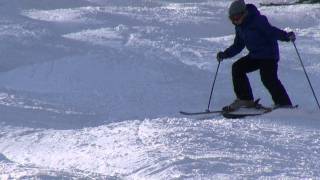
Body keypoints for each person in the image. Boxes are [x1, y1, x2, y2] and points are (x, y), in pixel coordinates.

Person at [217, 0, 295, 111]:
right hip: (255, 55)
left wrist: (286, 36)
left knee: (268, 78)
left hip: (269, 55)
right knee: (237, 68)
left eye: (237, 17)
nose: (235, 20)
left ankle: (284, 104)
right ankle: (245, 100)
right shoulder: (239, 27)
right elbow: (238, 45)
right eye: (232, 18)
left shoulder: (257, 20)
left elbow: (272, 31)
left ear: (244, 13)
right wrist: (225, 54)